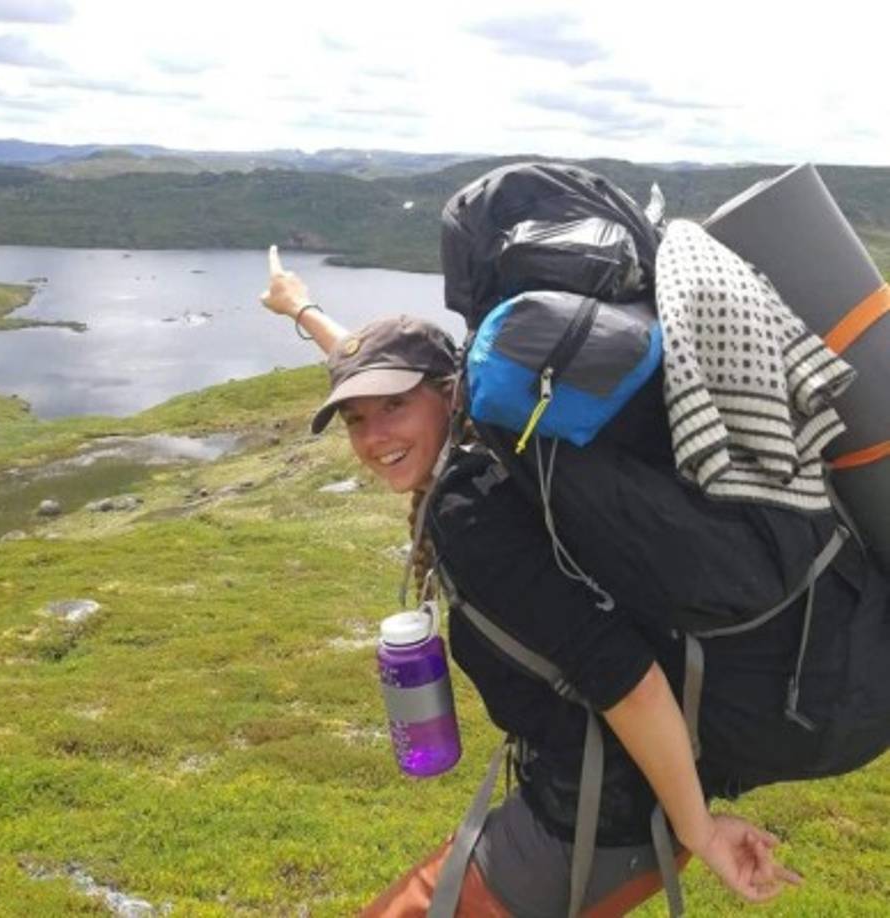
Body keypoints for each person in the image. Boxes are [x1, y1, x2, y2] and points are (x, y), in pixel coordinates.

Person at [259, 248, 888, 916]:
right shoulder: (502, 441)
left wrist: (698, 830)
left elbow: (629, 680)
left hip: (597, 817)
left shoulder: (469, 513)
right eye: (355, 418)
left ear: (448, 391)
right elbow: (379, 383)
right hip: (630, 794)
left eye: (393, 406)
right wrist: (301, 308)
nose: (373, 436)